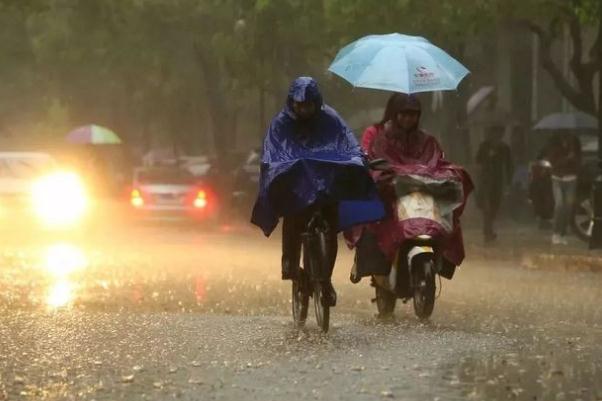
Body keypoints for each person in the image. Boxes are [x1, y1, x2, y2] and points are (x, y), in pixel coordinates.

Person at [251, 77, 382, 306]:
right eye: (300, 105)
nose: (304, 110)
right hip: (297, 189)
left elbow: (348, 141)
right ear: (292, 103)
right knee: (293, 220)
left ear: (316, 103)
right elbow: (272, 151)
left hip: (325, 188)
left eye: (309, 105)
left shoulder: (330, 119)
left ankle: (326, 279)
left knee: (330, 228)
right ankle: (292, 269)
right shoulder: (282, 123)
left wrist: (359, 157)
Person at [348, 92, 472, 284]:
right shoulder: (379, 136)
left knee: (447, 217)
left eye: (413, 114)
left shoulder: (427, 140)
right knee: (372, 219)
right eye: (404, 114)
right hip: (392, 195)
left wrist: (447, 174)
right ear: (395, 113)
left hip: (421, 194)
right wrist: (381, 175)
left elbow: (436, 162)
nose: (408, 118)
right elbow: (372, 160)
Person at [475, 125, 513, 243]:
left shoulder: (504, 148)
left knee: (495, 207)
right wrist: (487, 158)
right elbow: (477, 161)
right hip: (485, 181)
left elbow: (509, 165)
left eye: (499, 134)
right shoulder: (484, 146)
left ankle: (489, 228)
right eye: (494, 133)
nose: (497, 136)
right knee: (487, 207)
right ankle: (488, 231)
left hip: (498, 181)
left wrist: (508, 182)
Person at [543, 132, 581, 245]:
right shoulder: (554, 144)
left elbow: (579, 160)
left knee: (568, 207)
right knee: (559, 205)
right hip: (557, 178)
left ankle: (563, 233)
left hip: (571, 178)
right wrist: (566, 159)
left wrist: (574, 161)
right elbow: (553, 162)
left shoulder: (575, 143)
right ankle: (556, 232)